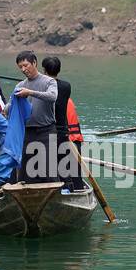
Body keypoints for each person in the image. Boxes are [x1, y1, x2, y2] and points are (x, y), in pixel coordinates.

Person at [13, 50, 58, 183]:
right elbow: (8, 108)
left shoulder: (49, 81)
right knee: (24, 172)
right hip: (27, 132)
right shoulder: (20, 85)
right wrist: (14, 102)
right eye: (20, 67)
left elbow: (52, 96)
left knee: (49, 170)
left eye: (26, 65)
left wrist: (31, 92)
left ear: (34, 63)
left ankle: (55, 197)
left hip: (46, 131)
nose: (23, 69)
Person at [41, 56, 84, 191]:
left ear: (44, 70)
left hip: (49, 132)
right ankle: (74, 188)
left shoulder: (42, 86)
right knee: (68, 166)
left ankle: (58, 189)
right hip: (64, 132)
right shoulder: (66, 86)